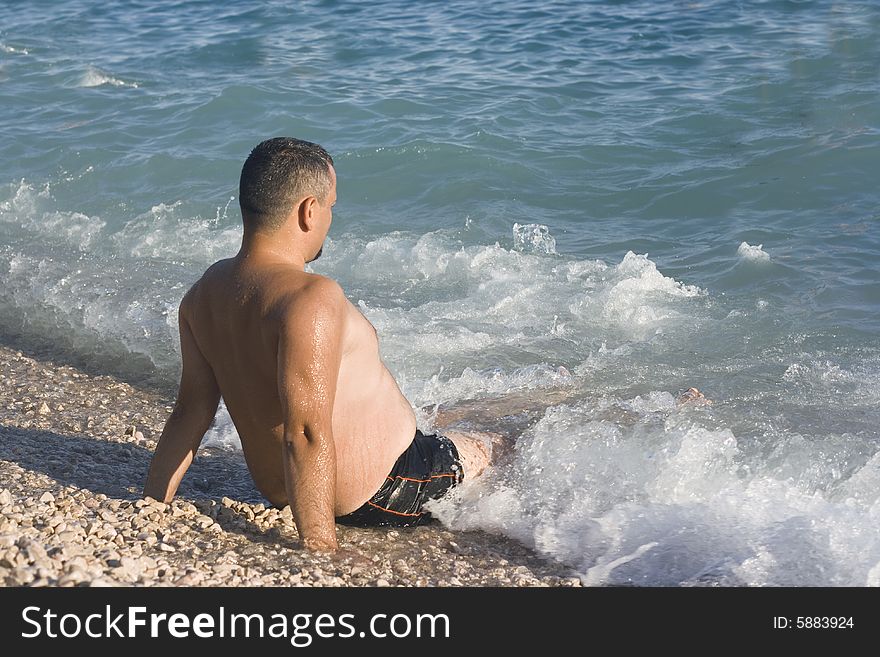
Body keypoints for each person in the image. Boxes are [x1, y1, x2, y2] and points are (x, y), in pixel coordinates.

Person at [143, 137, 495, 552]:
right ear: (309, 211)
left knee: (458, 417)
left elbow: (190, 412)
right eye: (331, 206)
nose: (330, 218)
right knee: (497, 445)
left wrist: (151, 503)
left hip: (286, 490)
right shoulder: (310, 297)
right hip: (388, 489)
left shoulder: (203, 294)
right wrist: (320, 546)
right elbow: (305, 431)